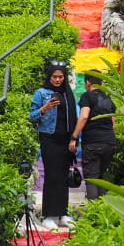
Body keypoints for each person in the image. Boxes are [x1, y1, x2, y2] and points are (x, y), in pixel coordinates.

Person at [28, 60, 78, 231]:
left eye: (61, 77)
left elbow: (74, 117)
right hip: (49, 139)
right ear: (49, 77)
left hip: (66, 140)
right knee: (52, 176)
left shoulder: (67, 94)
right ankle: (49, 214)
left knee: (64, 176)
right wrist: (44, 108)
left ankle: (62, 213)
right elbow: (32, 116)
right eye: (55, 77)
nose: (57, 80)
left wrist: (73, 138)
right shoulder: (41, 93)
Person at [69, 73, 117, 200]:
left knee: (91, 179)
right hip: (109, 142)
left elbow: (84, 116)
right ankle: (103, 210)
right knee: (100, 178)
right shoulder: (108, 99)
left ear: (88, 82)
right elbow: (113, 123)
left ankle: (93, 213)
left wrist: (74, 137)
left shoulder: (87, 96)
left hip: (92, 143)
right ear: (101, 83)